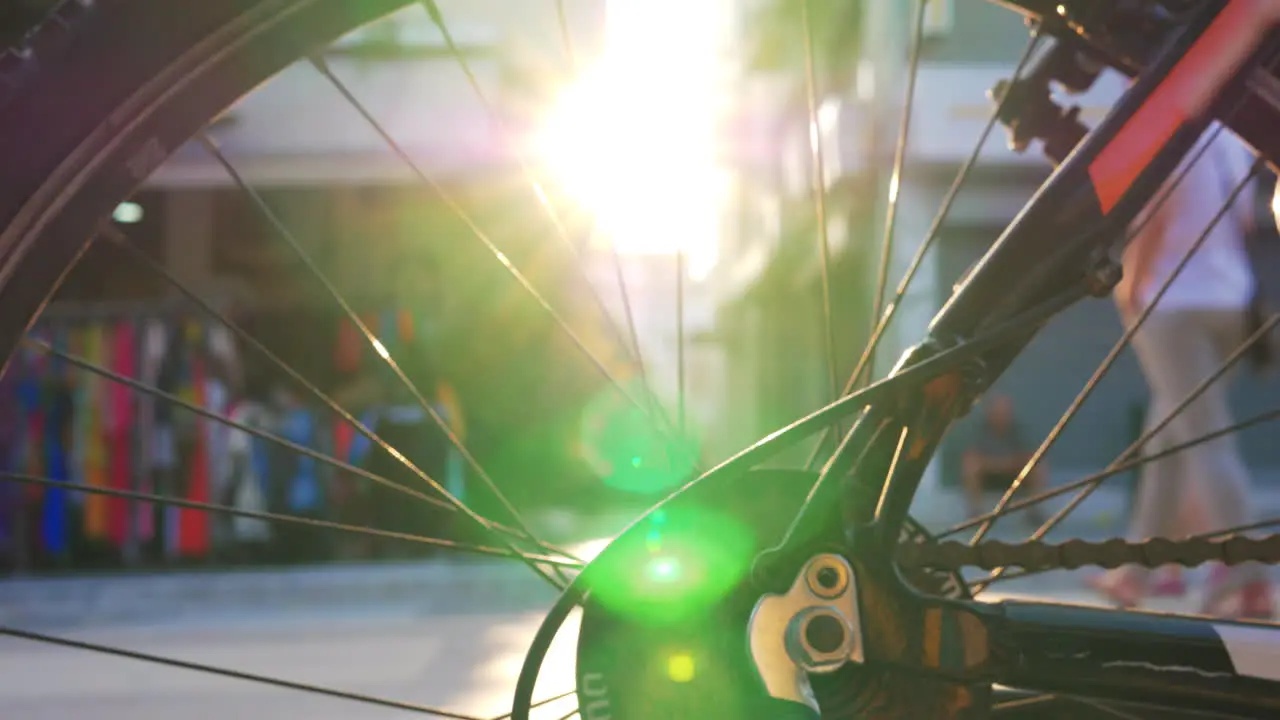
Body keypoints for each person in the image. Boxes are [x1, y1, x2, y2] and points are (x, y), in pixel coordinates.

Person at [1092, 123, 1273, 618]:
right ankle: (1136, 571)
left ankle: (1248, 576)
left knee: (1205, 440)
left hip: (1174, 305)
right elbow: (1246, 223)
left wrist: (1129, 289)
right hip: (1231, 302)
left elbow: (1154, 218)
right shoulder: (1231, 138)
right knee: (1167, 437)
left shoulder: (1166, 130)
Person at [961, 394, 1047, 526]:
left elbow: (1029, 456)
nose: (1001, 417)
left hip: (1014, 478)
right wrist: (998, 464)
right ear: (990, 414)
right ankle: (975, 512)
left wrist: (1003, 464)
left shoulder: (1018, 431)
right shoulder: (980, 431)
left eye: (1004, 413)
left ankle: (1034, 511)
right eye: (997, 413)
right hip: (988, 477)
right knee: (970, 464)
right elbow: (972, 455)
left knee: (1038, 467)